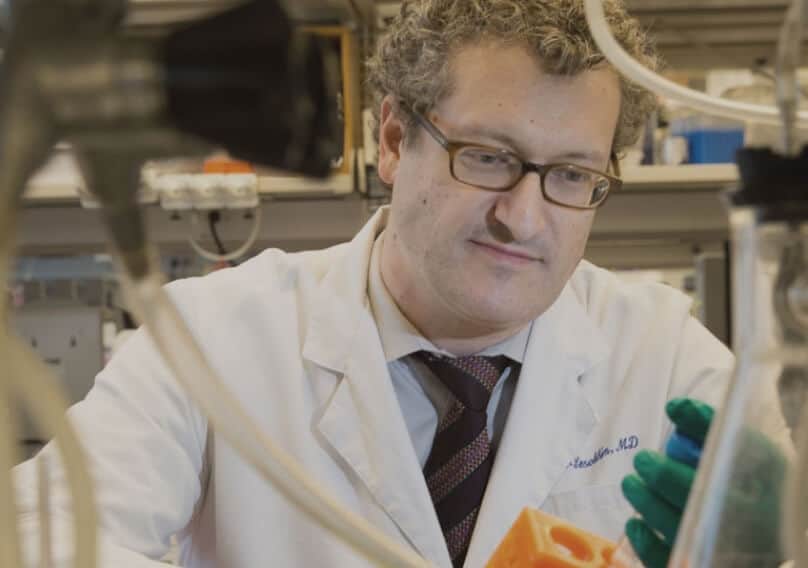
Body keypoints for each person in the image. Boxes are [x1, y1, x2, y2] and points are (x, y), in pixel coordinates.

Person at [12, 1, 789, 567]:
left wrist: (780, 547)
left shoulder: (662, 351)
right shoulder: (210, 339)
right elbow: (49, 540)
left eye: (571, 174)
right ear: (392, 139)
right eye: (486, 156)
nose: (523, 217)